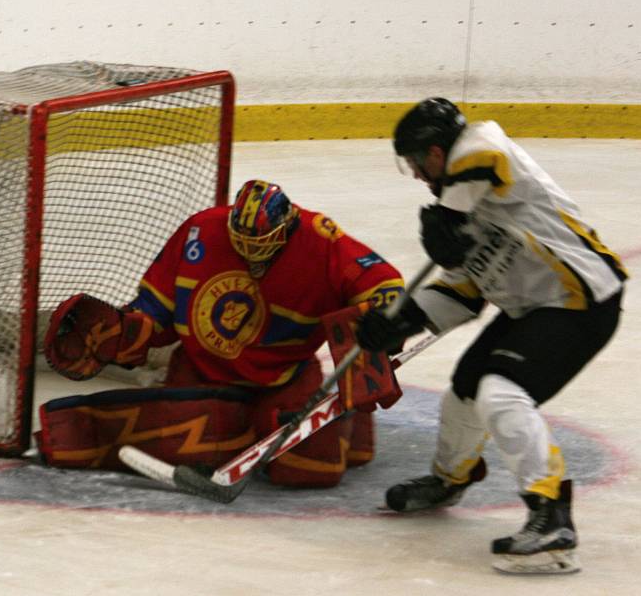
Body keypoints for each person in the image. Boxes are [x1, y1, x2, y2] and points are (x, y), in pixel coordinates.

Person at [356, 98, 626, 574]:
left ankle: (551, 518)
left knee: (500, 394)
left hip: (582, 301)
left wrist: (451, 214)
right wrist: (402, 321)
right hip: (535, 308)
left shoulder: (484, 154)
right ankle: (449, 480)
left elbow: (487, 149)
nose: (418, 173)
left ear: (438, 152)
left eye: (419, 161)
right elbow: (463, 293)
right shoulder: (462, 211)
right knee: (463, 393)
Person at [41, 179, 406, 488]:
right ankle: (244, 430)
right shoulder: (199, 230)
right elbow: (157, 307)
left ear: (287, 227)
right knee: (176, 442)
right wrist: (129, 331)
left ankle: (321, 425)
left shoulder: (319, 239)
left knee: (310, 469)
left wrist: (387, 321)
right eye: (241, 244)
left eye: (261, 245)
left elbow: (384, 284)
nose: (250, 255)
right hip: (202, 371)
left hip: (282, 375)